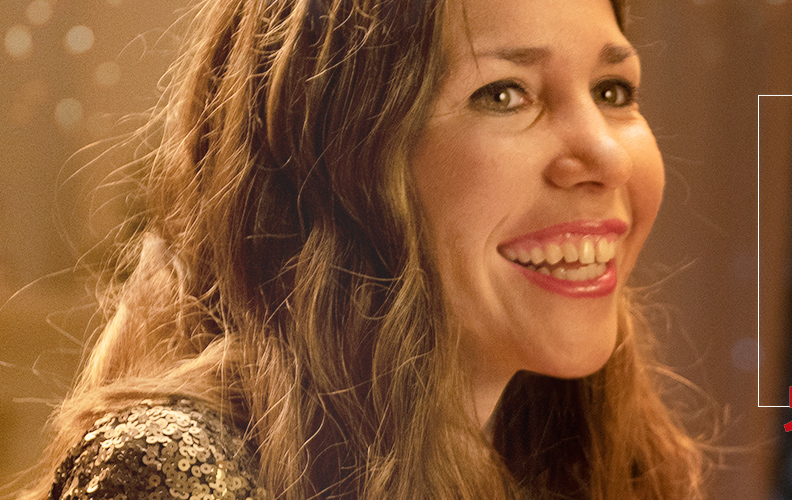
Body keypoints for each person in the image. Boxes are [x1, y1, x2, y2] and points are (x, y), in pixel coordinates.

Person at [24, 0, 705, 498]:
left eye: (613, 91)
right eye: (504, 94)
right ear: (332, 163)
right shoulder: (180, 474)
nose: (608, 158)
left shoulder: (600, 471)